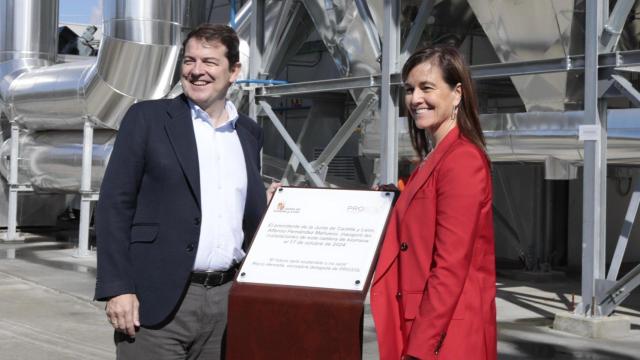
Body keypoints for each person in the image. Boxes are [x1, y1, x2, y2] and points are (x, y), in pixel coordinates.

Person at [94, 23, 277, 359]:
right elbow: (114, 206)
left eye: (209, 61)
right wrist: (118, 287)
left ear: (234, 71)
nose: (196, 71)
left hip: (226, 301)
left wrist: (274, 205)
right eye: (189, 61)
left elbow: (242, 210)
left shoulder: (249, 134)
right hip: (157, 302)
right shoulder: (147, 119)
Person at [371, 46, 496, 360]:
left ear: (457, 94)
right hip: (426, 326)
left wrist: (419, 351)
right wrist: (397, 200)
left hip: (445, 337)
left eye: (427, 88)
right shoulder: (436, 158)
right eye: (410, 89)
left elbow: (450, 266)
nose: (415, 99)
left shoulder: (463, 160)